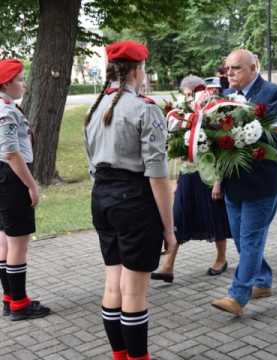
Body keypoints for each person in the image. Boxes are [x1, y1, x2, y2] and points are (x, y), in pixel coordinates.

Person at [84, 40, 176, 360]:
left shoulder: (94, 108)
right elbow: (157, 175)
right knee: (134, 291)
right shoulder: (145, 108)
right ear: (138, 70)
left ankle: (120, 356)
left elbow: (92, 165)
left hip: (102, 198)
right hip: (134, 200)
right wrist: (169, 228)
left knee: (113, 285)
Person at [211, 49, 277, 316]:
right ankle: (263, 280)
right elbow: (218, 143)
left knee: (251, 238)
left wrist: (245, 134)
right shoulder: (224, 97)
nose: (229, 73)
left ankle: (238, 296)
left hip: (262, 181)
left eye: (235, 68)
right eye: (226, 69)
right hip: (233, 182)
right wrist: (218, 178)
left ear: (254, 67)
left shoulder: (273, 93)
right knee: (243, 239)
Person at [151, 75, 231, 284]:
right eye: (184, 94)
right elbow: (179, 150)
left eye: (190, 94)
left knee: (214, 216)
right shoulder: (182, 117)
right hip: (187, 174)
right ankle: (168, 266)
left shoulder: (213, 114)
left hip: (209, 175)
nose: (187, 98)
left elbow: (223, 150)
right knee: (178, 216)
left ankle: (221, 258)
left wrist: (218, 181)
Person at [0, 59, 50, 320]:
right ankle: (19, 304)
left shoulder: (8, 106)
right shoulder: (6, 111)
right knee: (18, 243)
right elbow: (10, 152)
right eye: (20, 79)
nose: (24, 84)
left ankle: (10, 298)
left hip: (3, 177)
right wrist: (31, 184)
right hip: (12, 178)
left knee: (5, 240)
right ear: (6, 83)